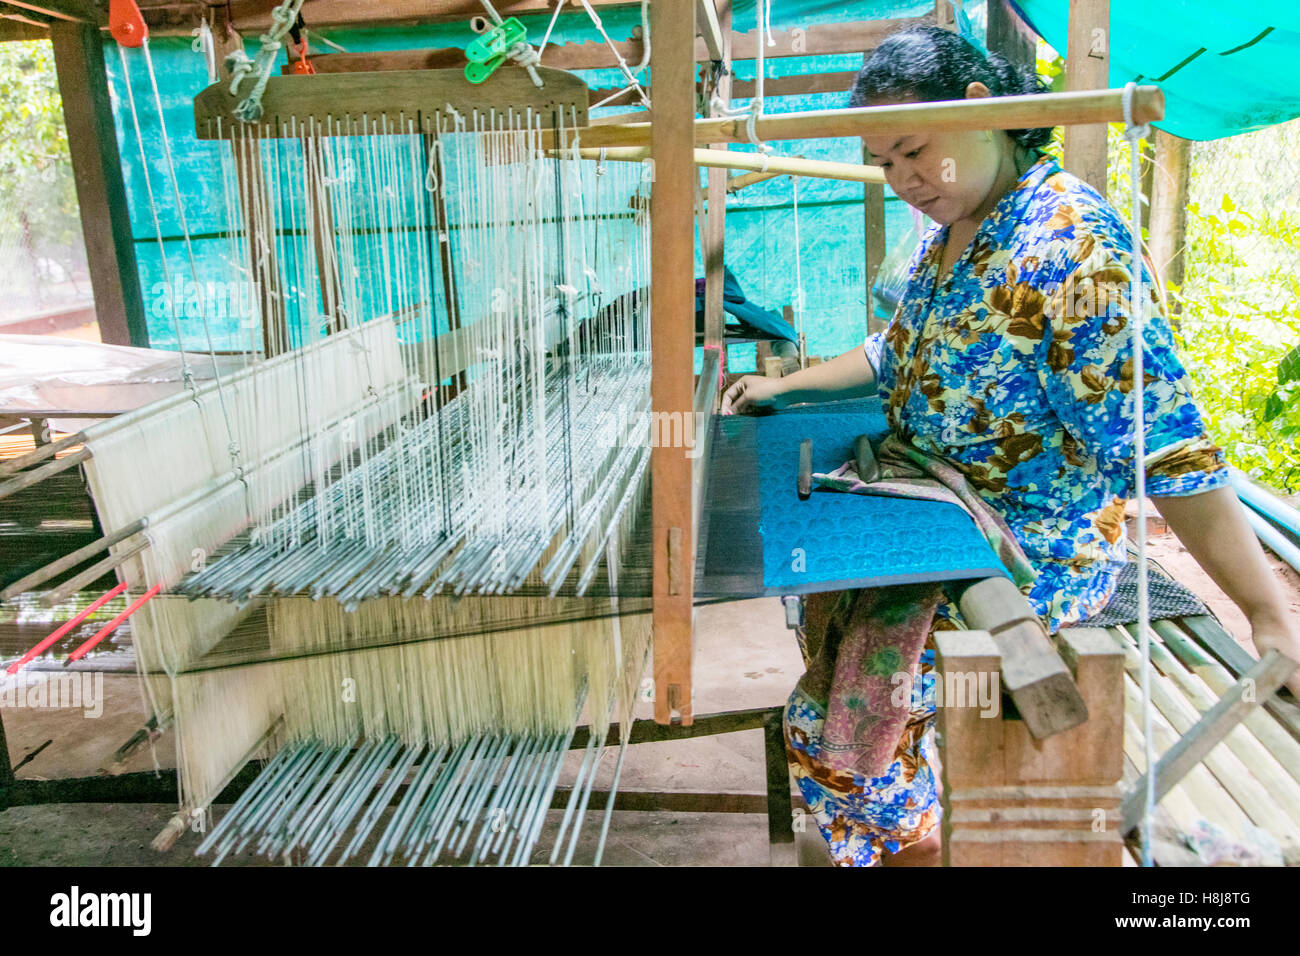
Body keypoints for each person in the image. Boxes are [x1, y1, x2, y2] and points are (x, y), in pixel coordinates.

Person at [721, 25, 1300, 867]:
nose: (904, 180)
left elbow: (1166, 449)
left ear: (986, 109)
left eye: (914, 150)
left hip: (1029, 553)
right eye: (884, 163)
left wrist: (1266, 610)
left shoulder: (1071, 252)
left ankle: (919, 847)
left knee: (833, 727)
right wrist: (789, 384)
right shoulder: (955, 222)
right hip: (938, 511)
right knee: (838, 663)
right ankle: (909, 830)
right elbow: (902, 349)